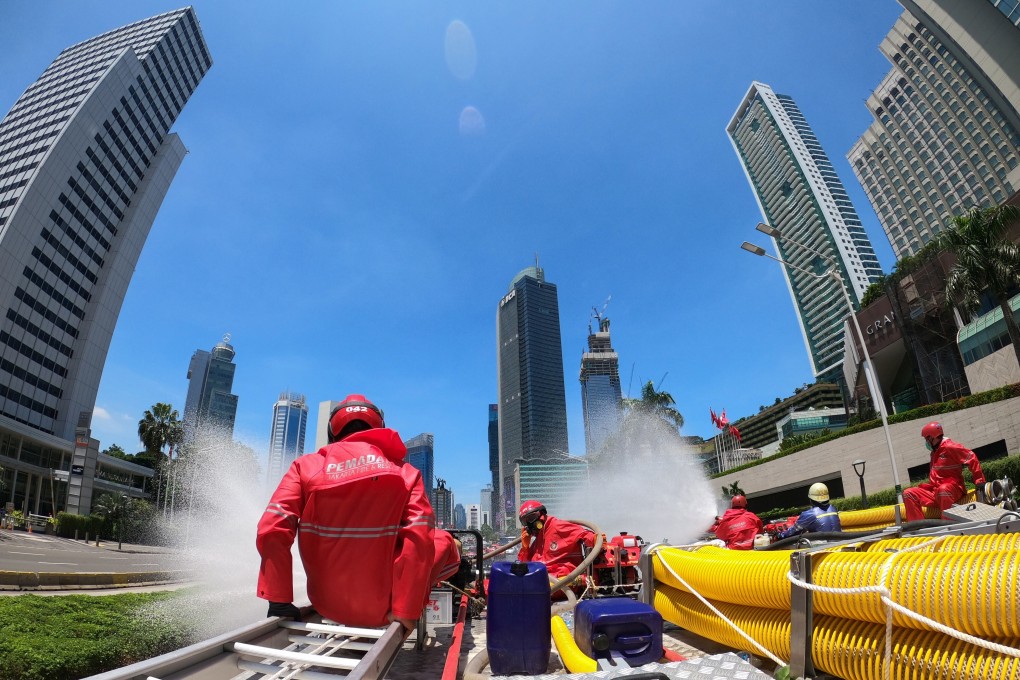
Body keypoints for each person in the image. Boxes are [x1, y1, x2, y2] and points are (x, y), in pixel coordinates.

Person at [256, 394, 435, 633]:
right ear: (379, 428)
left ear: (332, 431)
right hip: (385, 610)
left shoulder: (304, 467)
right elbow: (419, 540)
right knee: (443, 541)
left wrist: (278, 599)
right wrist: (406, 611)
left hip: (327, 605)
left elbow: (272, 528)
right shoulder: (406, 473)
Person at [903, 421, 985, 522]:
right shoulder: (934, 452)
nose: (926, 442)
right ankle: (917, 527)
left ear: (933, 436)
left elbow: (971, 457)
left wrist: (979, 481)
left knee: (943, 490)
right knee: (908, 493)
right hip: (936, 491)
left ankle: (948, 525)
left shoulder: (950, 447)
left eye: (926, 439)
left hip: (953, 489)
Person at [516, 500, 596, 580]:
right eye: (525, 522)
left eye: (531, 518)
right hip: (542, 583)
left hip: (564, 582)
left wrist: (599, 542)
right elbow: (524, 567)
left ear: (542, 514)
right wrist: (525, 548)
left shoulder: (558, 527)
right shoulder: (537, 542)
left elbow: (589, 537)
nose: (530, 524)